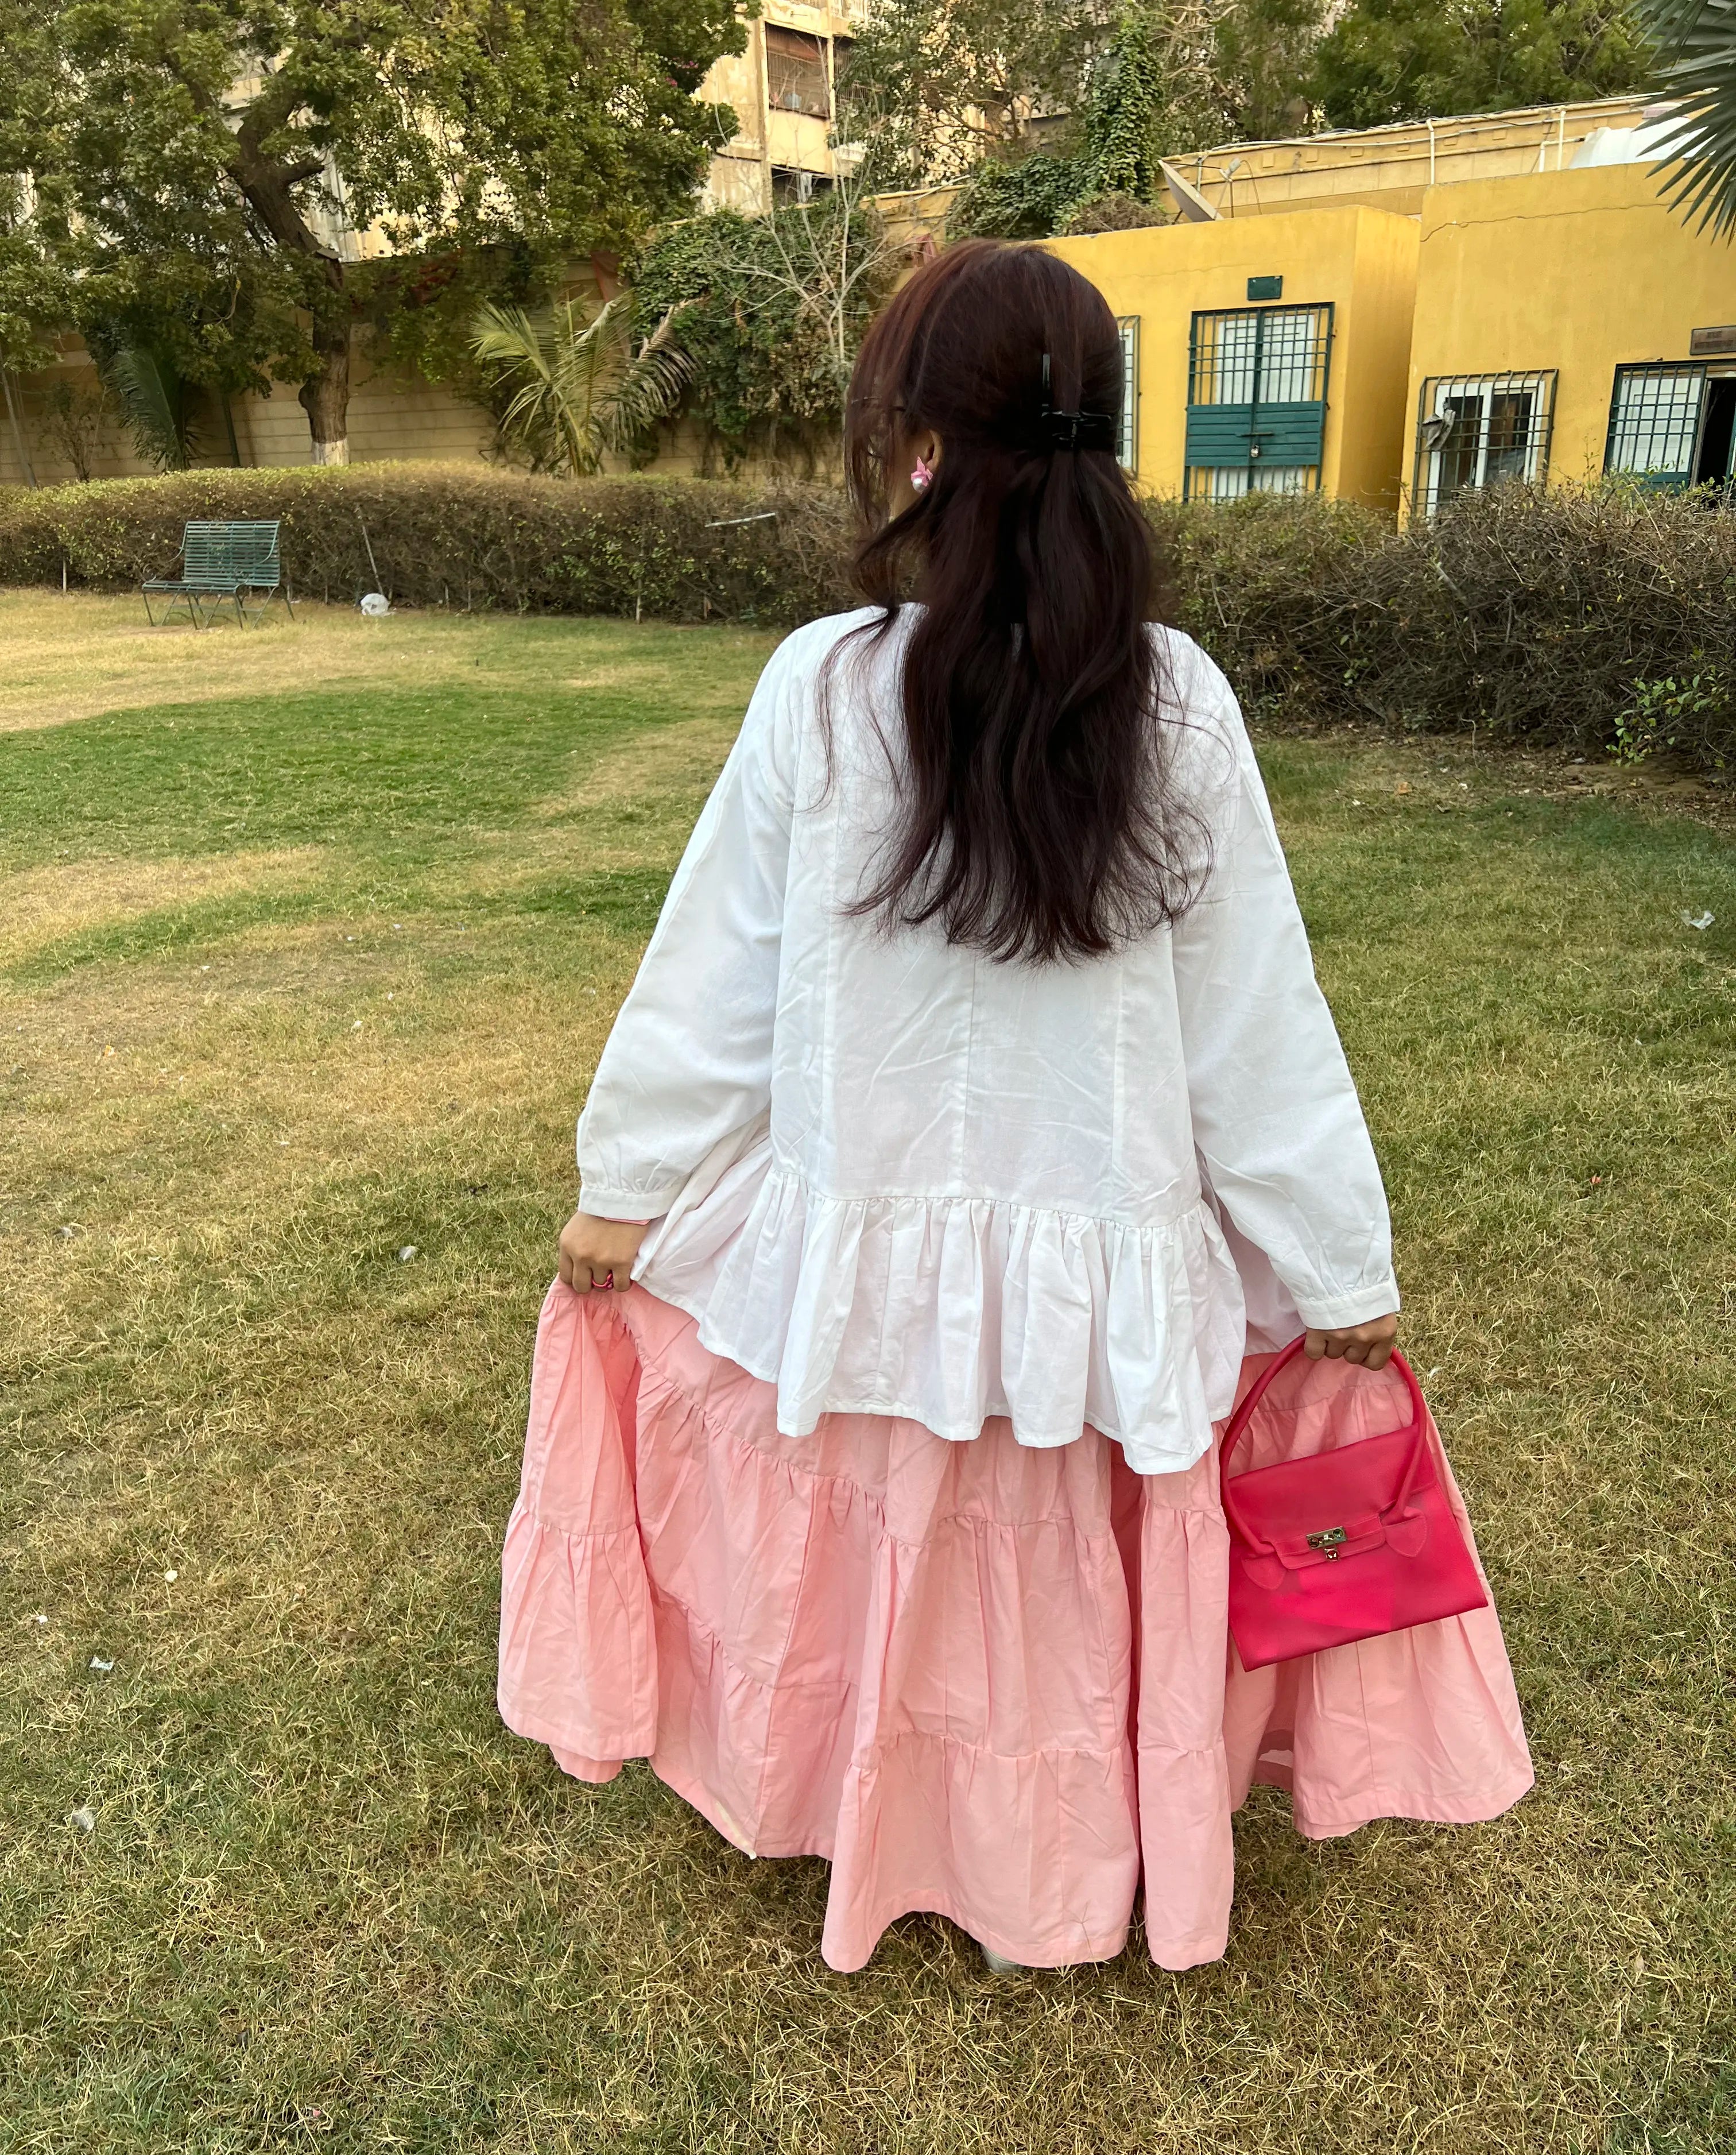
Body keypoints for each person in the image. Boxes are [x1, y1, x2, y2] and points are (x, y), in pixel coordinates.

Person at [498, 239, 1532, 1975]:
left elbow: (719, 976)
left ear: (919, 443)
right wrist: (1335, 1264)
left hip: (876, 1261)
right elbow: (1256, 1024)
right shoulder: (1169, 697)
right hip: (1092, 1281)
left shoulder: (831, 687)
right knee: (1031, 1575)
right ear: (1104, 436)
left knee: (880, 1548)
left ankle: (877, 1812)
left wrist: (629, 1189)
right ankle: (1041, 1848)